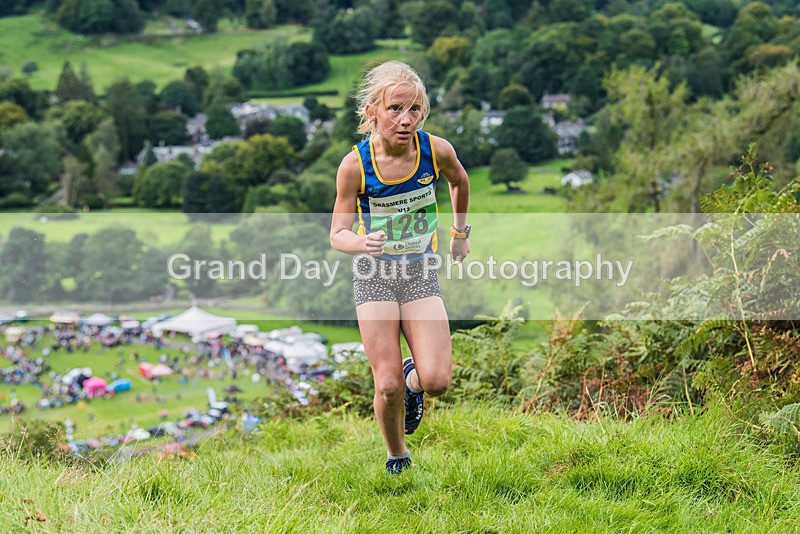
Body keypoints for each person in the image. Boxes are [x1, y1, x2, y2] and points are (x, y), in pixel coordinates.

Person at [330, 61, 471, 474]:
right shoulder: (354, 165)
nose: (405, 120)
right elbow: (337, 233)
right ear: (372, 111)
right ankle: (397, 455)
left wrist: (459, 233)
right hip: (374, 275)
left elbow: (459, 182)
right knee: (385, 384)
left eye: (414, 110)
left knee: (437, 381)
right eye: (395, 109)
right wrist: (360, 242)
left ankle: (416, 381)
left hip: (419, 273)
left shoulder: (435, 150)